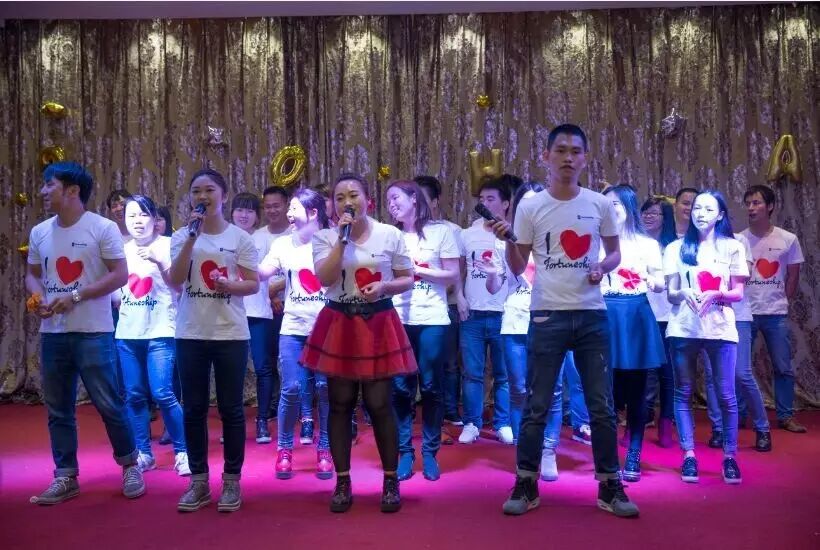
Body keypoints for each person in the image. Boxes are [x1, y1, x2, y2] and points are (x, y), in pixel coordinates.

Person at [491, 124, 638, 518]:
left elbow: (614, 254)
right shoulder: (531, 207)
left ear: (585, 158)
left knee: (601, 406)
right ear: (547, 156)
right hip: (547, 313)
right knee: (537, 403)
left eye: (575, 151)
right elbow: (519, 266)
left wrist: (602, 268)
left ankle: (610, 485)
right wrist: (508, 242)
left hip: (592, 315)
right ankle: (526, 482)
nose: (568, 158)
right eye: (560, 150)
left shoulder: (599, 204)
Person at [26, 161, 145, 505]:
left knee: (109, 404)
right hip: (53, 333)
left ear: (72, 191)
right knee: (58, 408)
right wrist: (37, 298)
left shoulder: (102, 228)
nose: (43, 191)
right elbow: (32, 274)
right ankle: (65, 475)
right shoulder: (40, 232)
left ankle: (130, 465)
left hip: (93, 331)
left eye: (50, 185)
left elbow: (120, 275)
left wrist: (75, 296)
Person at [301, 173, 416, 513]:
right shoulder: (325, 236)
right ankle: (342, 481)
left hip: (378, 321)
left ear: (369, 200)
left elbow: (407, 278)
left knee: (380, 403)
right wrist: (342, 240)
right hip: (340, 321)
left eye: (353, 195)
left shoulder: (389, 234)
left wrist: (384, 287)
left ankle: (391, 480)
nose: (346, 202)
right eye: (339, 198)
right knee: (339, 403)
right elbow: (325, 279)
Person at [169, 169, 260, 513]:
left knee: (231, 409)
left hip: (230, 334)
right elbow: (176, 280)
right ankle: (198, 481)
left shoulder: (240, 238)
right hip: (190, 332)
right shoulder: (182, 236)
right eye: (196, 191)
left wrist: (230, 285)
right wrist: (191, 238)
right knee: (193, 408)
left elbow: (252, 284)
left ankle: (232, 480)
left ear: (223, 195)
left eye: (209, 190)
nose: (202, 196)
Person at [664, 190, 748, 484]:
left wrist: (717, 294)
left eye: (708, 209)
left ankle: (730, 457)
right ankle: (689, 455)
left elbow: (738, 293)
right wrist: (683, 292)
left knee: (726, 394)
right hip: (684, 328)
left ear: (720, 215)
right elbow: (671, 294)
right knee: (683, 392)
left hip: (720, 328)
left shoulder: (732, 247)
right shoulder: (675, 248)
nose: (700, 214)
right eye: (697, 208)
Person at [387, 180, 460, 481]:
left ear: (414, 199)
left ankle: (430, 452)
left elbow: (452, 275)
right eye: (388, 201)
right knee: (400, 387)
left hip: (432, 318)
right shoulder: (389, 235)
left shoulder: (442, 232)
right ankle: (405, 452)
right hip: (397, 318)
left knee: (430, 386)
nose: (392, 204)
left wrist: (418, 271)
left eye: (396, 198)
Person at [258, 189, 332, 479]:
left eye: (294, 208)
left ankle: (325, 448)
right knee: (291, 388)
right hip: (293, 327)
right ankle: (285, 449)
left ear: (313, 213)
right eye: (288, 208)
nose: (288, 213)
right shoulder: (282, 244)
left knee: (325, 388)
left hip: (327, 329)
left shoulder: (331, 240)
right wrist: (239, 265)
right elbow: (263, 272)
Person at [115, 195, 189, 475]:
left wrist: (160, 262)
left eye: (143, 215)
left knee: (163, 392)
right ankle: (144, 453)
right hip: (128, 332)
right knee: (134, 395)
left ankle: (183, 452)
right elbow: (115, 294)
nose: (137, 221)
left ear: (155, 219)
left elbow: (179, 287)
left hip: (161, 330)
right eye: (131, 215)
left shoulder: (169, 245)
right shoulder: (120, 250)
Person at [600, 185, 666, 481]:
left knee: (637, 391)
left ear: (628, 207)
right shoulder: (595, 242)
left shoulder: (646, 244)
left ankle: (635, 452)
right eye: (606, 204)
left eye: (615, 204)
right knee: (607, 391)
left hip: (636, 313)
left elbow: (660, 282)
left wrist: (653, 281)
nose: (610, 209)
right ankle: (609, 455)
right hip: (605, 314)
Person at [741, 184, 806, 434]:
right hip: (745, 312)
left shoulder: (788, 239)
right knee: (740, 368)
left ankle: (785, 416)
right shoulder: (739, 239)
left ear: (770, 206)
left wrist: (782, 300)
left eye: (756, 203)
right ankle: (739, 416)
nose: (751, 208)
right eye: (748, 203)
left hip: (776, 313)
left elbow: (793, 275)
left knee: (783, 367)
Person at [704, 231, 772, 452]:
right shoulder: (696, 243)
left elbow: (745, 275)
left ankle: (762, 428)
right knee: (711, 376)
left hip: (738, 315)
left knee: (741, 373)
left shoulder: (738, 241)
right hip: (709, 316)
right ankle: (718, 429)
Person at [457, 178, 514, 445]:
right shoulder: (467, 234)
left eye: (491, 199)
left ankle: (503, 423)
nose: (484, 204)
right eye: (481, 199)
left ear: (506, 204)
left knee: (504, 374)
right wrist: (459, 297)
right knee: (472, 373)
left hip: (505, 313)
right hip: (473, 314)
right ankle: (472, 422)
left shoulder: (512, 235)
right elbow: (459, 271)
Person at [231, 190, 289, 444]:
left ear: (257, 216)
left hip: (258, 311)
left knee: (264, 367)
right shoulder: (222, 238)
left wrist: (272, 293)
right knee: (232, 369)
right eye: (239, 210)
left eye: (250, 210)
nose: (244, 215)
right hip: (230, 312)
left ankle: (263, 420)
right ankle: (233, 422)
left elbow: (271, 273)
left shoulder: (263, 239)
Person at [415, 175, 465, 427]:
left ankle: (450, 411)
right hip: (414, 306)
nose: (418, 204)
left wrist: (458, 295)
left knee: (448, 363)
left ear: (435, 201)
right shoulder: (402, 232)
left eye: (423, 198)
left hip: (447, 304)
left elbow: (457, 271)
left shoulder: (451, 231)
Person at [640, 196, 677, 447]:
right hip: (640, 314)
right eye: (645, 212)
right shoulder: (636, 245)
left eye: (654, 213)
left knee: (667, 374)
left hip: (667, 316)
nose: (648, 216)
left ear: (666, 218)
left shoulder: (673, 247)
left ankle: (666, 424)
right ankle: (638, 423)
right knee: (641, 373)